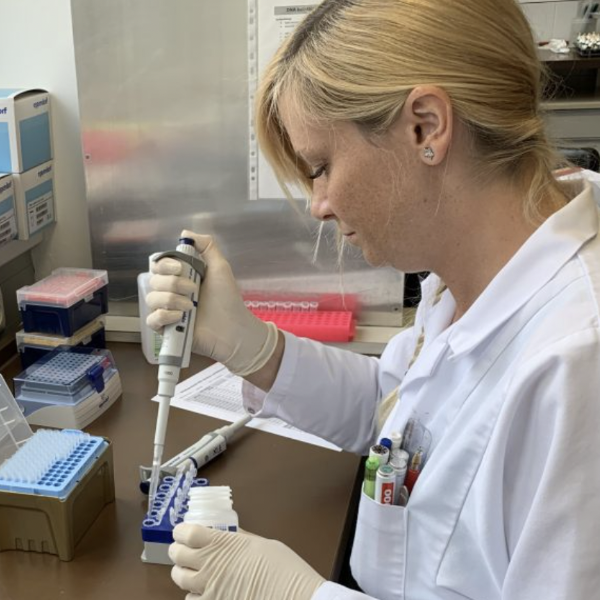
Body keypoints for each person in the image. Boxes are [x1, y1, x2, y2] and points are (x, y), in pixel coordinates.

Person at [145, 0, 600, 598]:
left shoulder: (577, 362)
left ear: (425, 127)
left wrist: (303, 596)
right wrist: (252, 348)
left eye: (321, 166)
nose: (319, 205)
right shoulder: (472, 274)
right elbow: (399, 414)